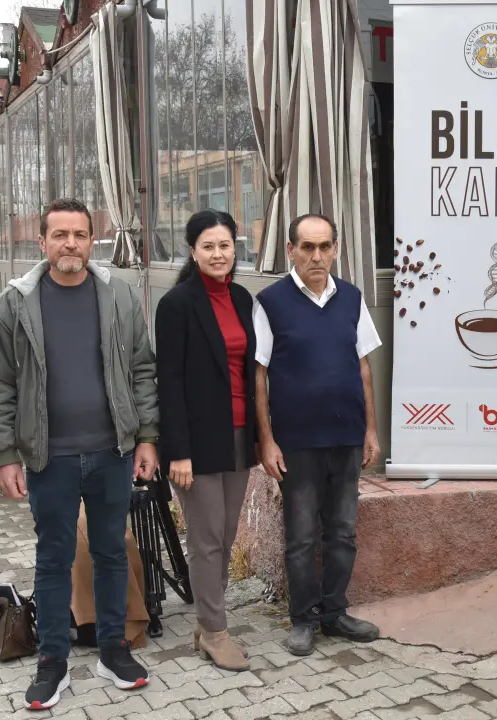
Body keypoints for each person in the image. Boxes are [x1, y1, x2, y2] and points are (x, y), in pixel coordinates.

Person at [0, 198, 161, 711]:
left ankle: (113, 649)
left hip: (112, 451)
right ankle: (52, 660)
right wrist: (5, 456)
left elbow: (142, 370)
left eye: (80, 234)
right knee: (53, 559)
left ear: (91, 240)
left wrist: (147, 437)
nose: (71, 244)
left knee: (110, 552)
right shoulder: (15, 304)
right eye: (60, 235)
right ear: (42, 241)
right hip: (48, 458)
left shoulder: (118, 296)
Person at [254, 213, 384, 656]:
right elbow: (259, 375)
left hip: (346, 437)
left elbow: (363, 366)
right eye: (307, 247)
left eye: (324, 246)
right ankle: (303, 620)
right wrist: (266, 440)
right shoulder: (270, 302)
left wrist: (370, 430)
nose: (316, 256)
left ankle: (334, 614)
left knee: (343, 531)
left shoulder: (351, 298)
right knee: (302, 536)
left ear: (336, 250)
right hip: (296, 442)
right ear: (291, 250)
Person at [155, 210, 257, 672]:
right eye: (208, 246)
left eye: (225, 245)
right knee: (206, 537)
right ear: (193, 251)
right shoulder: (177, 304)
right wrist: (177, 451)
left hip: (238, 435)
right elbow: (169, 382)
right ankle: (215, 631)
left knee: (226, 534)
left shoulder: (242, 298)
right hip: (195, 444)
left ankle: (206, 622)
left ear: (236, 247)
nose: (218, 254)